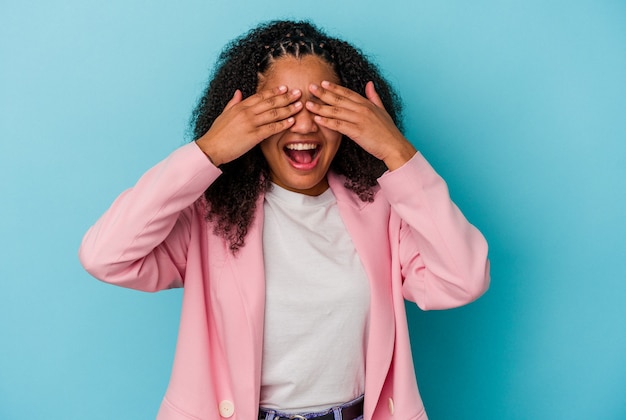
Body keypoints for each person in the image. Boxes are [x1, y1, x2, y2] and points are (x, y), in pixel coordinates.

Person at [79, 20, 490, 420]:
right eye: (282, 107)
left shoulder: (383, 208)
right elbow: (105, 256)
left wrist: (398, 153)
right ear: (247, 119)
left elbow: (463, 279)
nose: (306, 124)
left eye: (322, 105)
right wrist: (208, 152)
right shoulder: (210, 214)